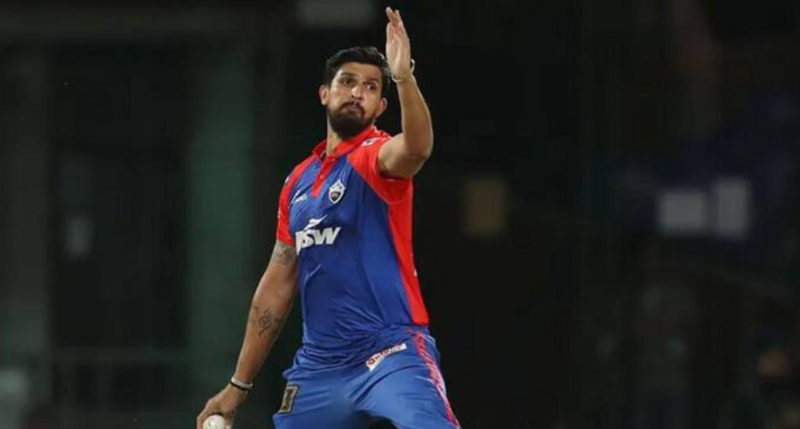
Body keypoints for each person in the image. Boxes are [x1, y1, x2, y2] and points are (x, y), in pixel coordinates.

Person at [196, 7, 460, 429]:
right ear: (324, 93)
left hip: (390, 352)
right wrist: (237, 386)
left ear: (381, 106)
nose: (357, 92)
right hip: (320, 366)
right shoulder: (297, 183)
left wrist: (403, 77)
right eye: (347, 81)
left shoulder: (375, 157)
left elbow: (417, 149)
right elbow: (276, 287)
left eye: (370, 87)